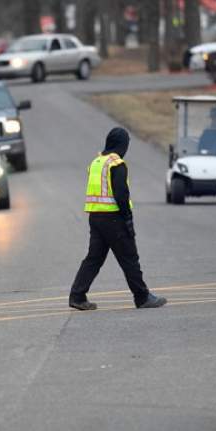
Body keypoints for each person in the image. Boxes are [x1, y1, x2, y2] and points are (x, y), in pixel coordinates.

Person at [69, 128, 167, 311]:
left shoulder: (97, 162)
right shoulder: (116, 164)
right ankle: (142, 297)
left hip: (95, 217)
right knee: (129, 257)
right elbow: (121, 194)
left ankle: (77, 295)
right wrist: (127, 218)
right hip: (113, 218)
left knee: (94, 258)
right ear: (122, 145)